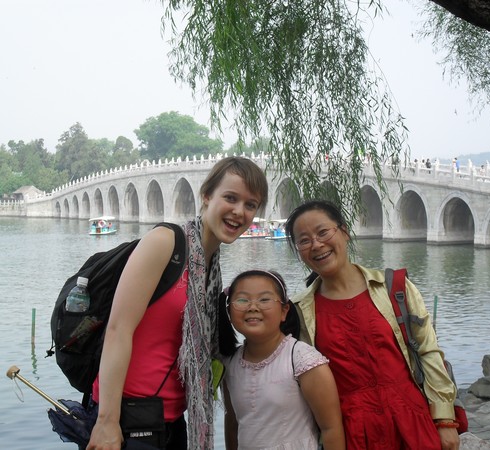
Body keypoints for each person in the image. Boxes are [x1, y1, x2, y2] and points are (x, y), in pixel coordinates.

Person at [86, 156, 269, 450]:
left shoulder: (211, 268)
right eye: (230, 198)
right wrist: (107, 421)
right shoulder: (165, 242)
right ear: (207, 195)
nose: (239, 212)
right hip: (127, 419)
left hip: (173, 421)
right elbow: (118, 329)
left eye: (251, 205)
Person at [284, 200, 459, 450]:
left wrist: (444, 419)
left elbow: (427, 351)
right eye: (304, 240)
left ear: (344, 232)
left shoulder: (394, 287)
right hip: (352, 433)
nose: (316, 244)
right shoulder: (300, 311)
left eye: (323, 232)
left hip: (413, 423)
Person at [218, 269, 345, 450]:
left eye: (264, 300)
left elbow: (330, 428)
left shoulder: (303, 360)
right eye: (242, 300)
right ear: (229, 312)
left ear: (284, 311)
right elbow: (232, 422)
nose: (253, 307)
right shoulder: (230, 364)